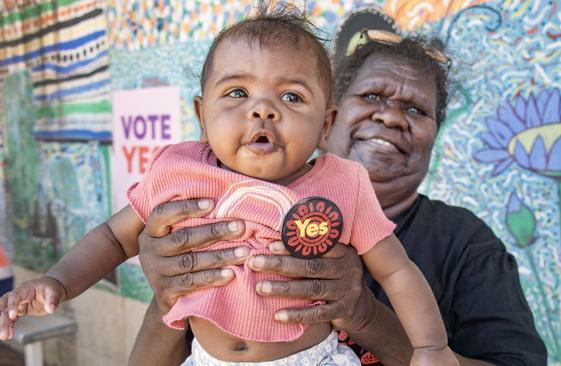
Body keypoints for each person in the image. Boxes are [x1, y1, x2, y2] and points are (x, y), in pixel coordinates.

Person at [0, 8, 456, 366]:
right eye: (237, 93)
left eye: (292, 97)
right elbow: (112, 237)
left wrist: (430, 347)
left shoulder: (342, 183)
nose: (263, 110)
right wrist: (57, 280)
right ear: (202, 116)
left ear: (326, 126)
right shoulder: (178, 172)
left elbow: (398, 271)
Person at [128, 26, 548, 366]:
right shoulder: (221, 213)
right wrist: (172, 290)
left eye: (417, 111)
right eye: (371, 97)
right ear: (330, 120)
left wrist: (364, 314)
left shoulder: (466, 243)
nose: (390, 116)